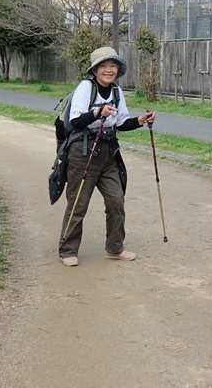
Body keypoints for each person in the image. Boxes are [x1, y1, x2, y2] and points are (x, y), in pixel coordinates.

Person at [59, 46, 156, 267]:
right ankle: (67, 250)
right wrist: (96, 112)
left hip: (108, 152)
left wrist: (141, 120)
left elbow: (121, 123)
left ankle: (114, 248)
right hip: (83, 152)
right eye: (103, 66)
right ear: (94, 70)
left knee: (116, 200)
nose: (108, 70)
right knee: (78, 203)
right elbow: (75, 121)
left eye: (112, 66)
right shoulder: (85, 87)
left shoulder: (116, 92)